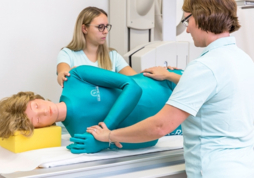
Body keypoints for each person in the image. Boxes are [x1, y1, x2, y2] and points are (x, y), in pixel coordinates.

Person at [86, 0, 254, 177]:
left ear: (201, 16)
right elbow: (215, 89)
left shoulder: (203, 67)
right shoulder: (244, 60)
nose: (187, 29)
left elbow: (160, 126)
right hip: (245, 166)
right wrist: (170, 76)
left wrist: (110, 136)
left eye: (187, 21)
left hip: (216, 170)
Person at [0, 65, 183, 153]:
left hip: (169, 84)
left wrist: (106, 131)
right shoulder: (81, 137)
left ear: (35, 97)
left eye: (36, 106)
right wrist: (106, 142)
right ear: (40, 128)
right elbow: (151, 141)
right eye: (37, 119)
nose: (44, 112)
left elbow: (133, 87)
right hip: (175, 124)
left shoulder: (76, 77)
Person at [57, 6, 137, 88]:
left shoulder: (113, 55)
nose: (105, 31)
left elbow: (137, 80)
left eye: (106, 27)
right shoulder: (67, 53)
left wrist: (148, 75)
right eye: (100, 27)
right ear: (84, 28)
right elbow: (62, 74)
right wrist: (64, 75)